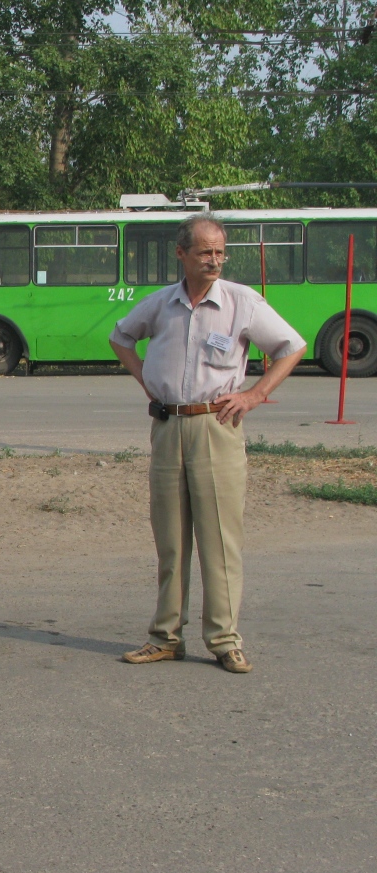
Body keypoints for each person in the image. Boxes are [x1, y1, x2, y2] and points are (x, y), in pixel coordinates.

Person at [109, 211, 306, 674]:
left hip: (217, 427)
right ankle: (164, 637)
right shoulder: (160, 304)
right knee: (171, 542)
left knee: (220, 541)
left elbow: (290, 346)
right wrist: (146, 380)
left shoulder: (242, 302)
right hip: (168, 426)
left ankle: (224, 639)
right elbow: (121, 337)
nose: (214, 260)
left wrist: (256, 394)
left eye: (219, 252)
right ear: (182, 254)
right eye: (204, 252)